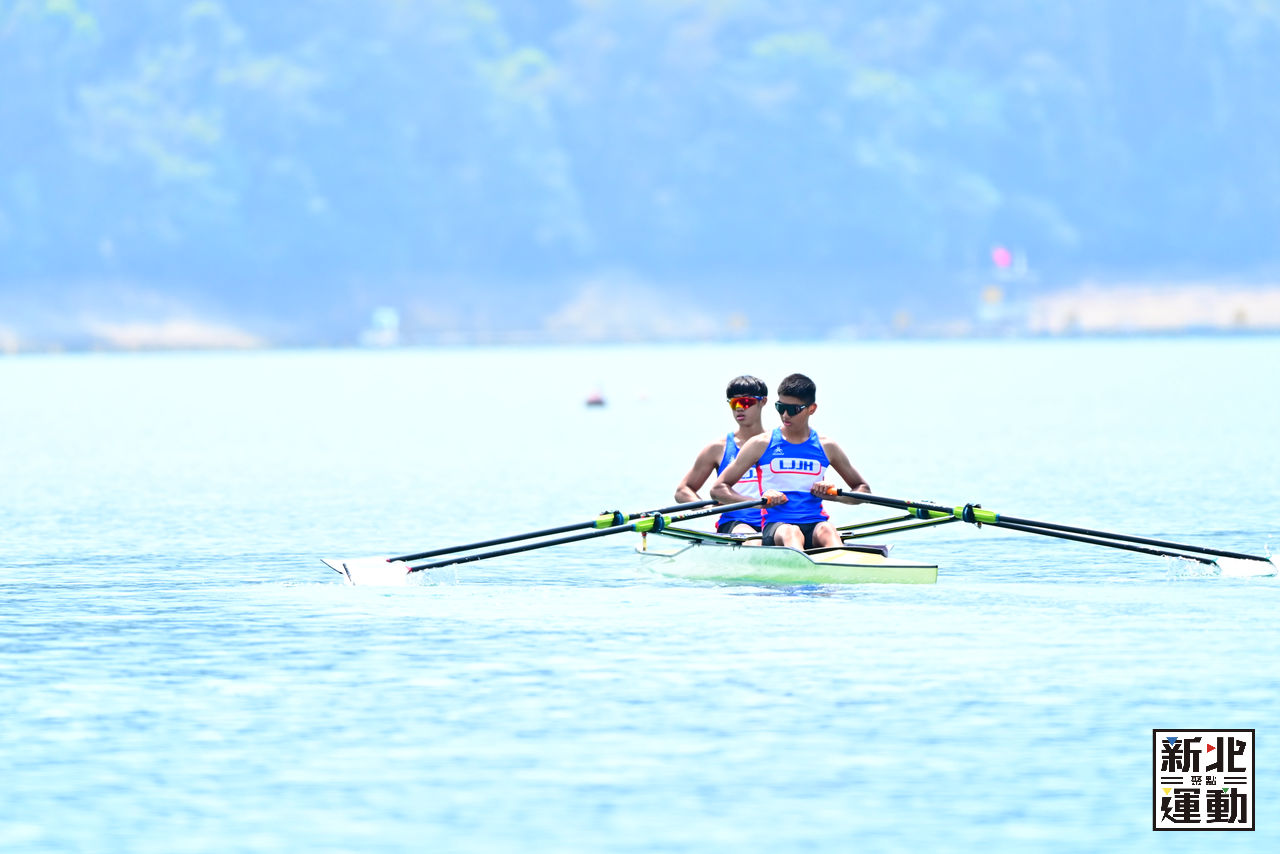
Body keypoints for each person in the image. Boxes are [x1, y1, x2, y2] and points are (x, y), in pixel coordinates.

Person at [711, 373, 869, 550]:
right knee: (791, 532)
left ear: (812, 409)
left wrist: (835, 495)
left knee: (828, 530)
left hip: (815, 524)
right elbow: (718, 489)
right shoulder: (760, 444)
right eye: (780, 407)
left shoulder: (827, 446)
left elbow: (863, 489)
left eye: (792, 410)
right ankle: (803, 561)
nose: (785, 415)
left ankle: (840, 560)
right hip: (777, 527)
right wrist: (757, 502)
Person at [674, 375, 769, 537]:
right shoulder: (718, 448)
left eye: (746, 402)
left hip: (774, 520)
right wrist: (706, 508)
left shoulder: (778, 444)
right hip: (736, 523)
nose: (739, 408)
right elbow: (683, 490)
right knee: (751, 537)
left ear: (763, 401)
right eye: (734, 403)